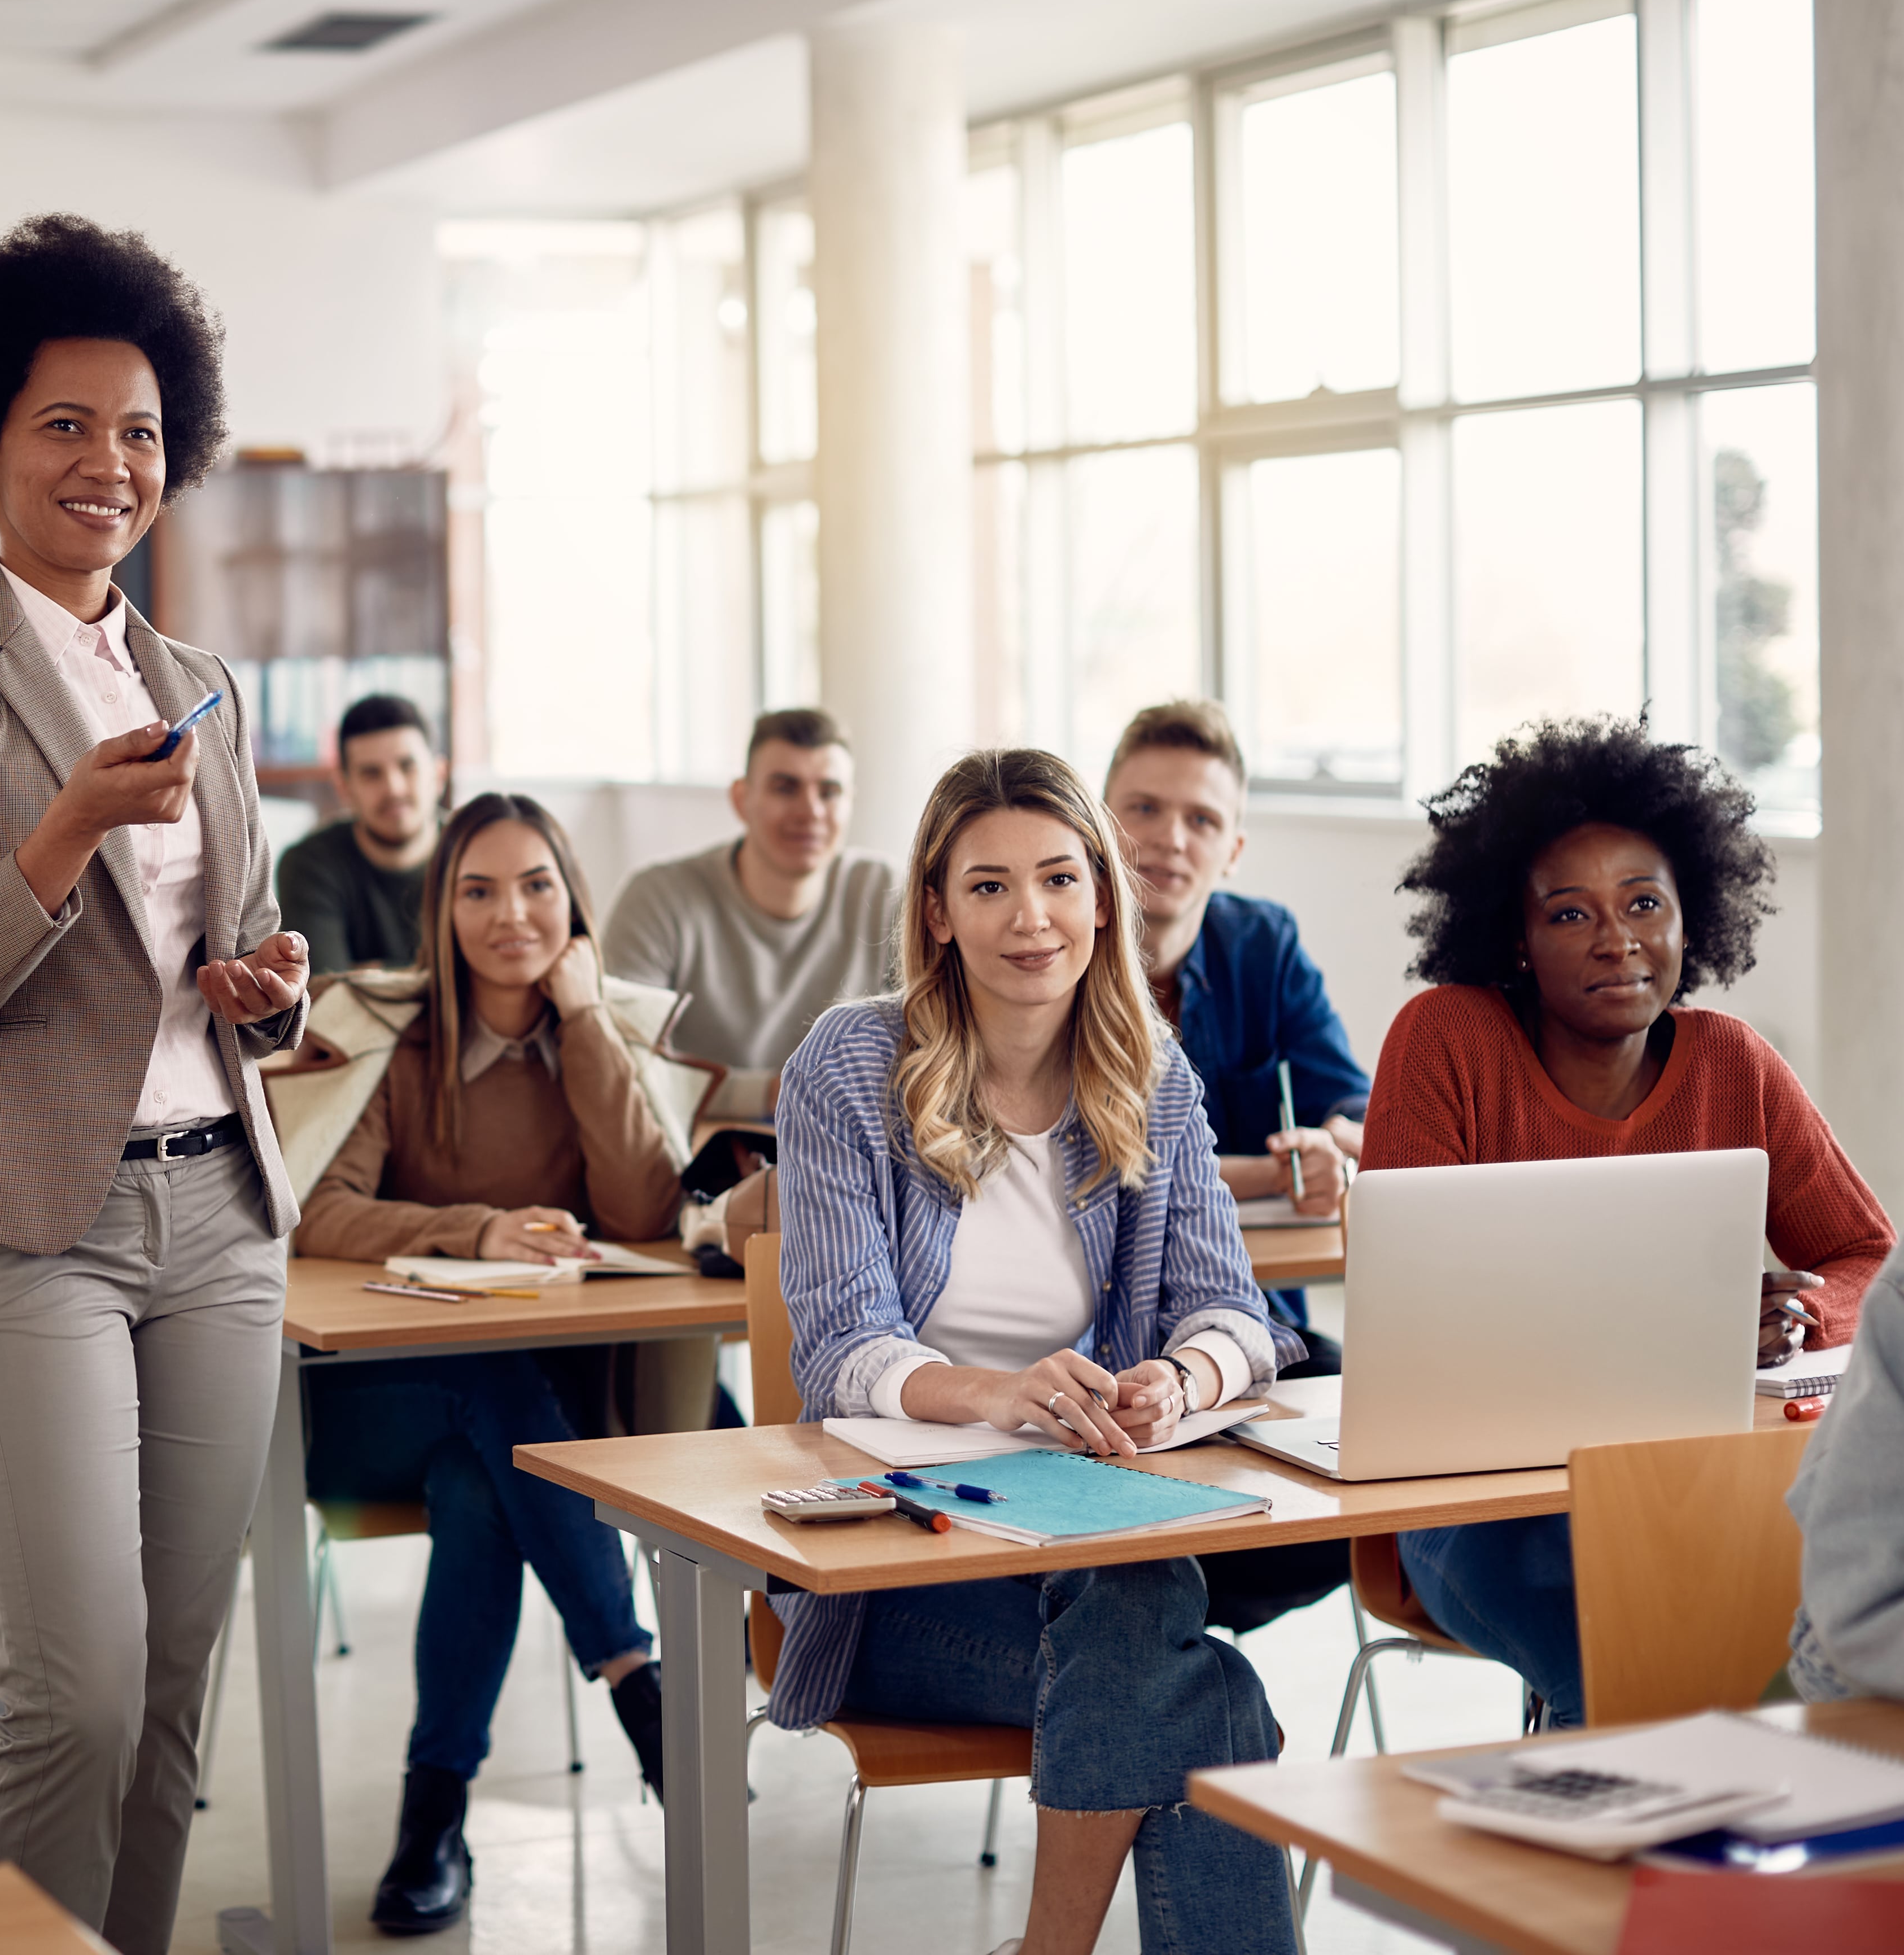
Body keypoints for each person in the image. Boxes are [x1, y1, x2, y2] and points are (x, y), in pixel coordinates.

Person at [0, 213, 309, 1955]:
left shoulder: (198, 685)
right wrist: (63, 834)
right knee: (75, 1698)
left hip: (222, 1211)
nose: (112, 463)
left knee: (172, 1696)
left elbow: (233, 945)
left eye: (143, 431)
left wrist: (265, 990)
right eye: (67, 425)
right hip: (25, 1224)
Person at [773, 747, 1299, 1955]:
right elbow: (843, 1347)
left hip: (1087, 1541)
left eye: (1060, 879)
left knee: (1154, 1630)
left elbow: (1237, 1315)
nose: (1031, 918)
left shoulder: (1151, 1077)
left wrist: (1183, 1379)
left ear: (1103, 898)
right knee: (1203, 1690)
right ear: (937, 912)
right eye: (989, 885)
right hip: (901, 1570)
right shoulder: (849, 1064)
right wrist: (1000, 1392)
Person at [1363, 715, 1894, 1726]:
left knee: (1803, 1616)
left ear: (1692, 916)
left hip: (1685, 1477)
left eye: (1644, 902)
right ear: (1515, 940)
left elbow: (1869, 1255)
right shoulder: (1447, 1041)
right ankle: (1608, 1822)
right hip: (1476, 1497)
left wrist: (1800, 1314)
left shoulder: (1733, 1063)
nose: (1617, 939)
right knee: (1632, 1645)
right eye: (1570, 913)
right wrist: (1677, 1329)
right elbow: (1413, 1315)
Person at [292, 794, 678, 1935]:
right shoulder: (391, 1038)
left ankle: (432, 1819)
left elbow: (644, 1211)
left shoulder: (601, 1031)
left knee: (481, 1479)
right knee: (484, 1381)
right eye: (479, 889)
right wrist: (477, 1231)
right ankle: (636, 1679)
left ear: (572, 900)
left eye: (537, 885)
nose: (512, 914)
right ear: (442, 909)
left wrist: (586, 1019)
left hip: (525, 1435)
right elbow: (322, 1210)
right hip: (370, 1406)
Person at [1103, 699, 1370, 1632]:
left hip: (1251, 1336)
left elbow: (1355, 1111)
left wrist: (1329, 1149)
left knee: (1384, 1423)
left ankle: (1157, 1621)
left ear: (1233, 849)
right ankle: (1142, 1620)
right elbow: (1099, 1171)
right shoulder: (1048, 949)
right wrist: (1261, 1175)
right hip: (1097, 1342)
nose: (1170, 838)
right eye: (1144, 808)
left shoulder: (1265, 945)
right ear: (1099, 818)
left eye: (1201, 818)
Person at [604, 708, 901, 1121]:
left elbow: (933, 1047)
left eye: (829, 791)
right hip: (699, 1144)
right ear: (741, 799)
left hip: (844, 1140)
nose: (811, 811)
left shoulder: (887, 891)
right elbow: (622, 1064)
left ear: (851, 802)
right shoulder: (657, 899)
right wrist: (774, 1093)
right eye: (785, 788)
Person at [1788, 1165, 1904, 1708]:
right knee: (1578, 1683)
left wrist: (1799, 1313)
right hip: (1883, 1678)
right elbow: (1870, 1606)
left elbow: (1864, 1254)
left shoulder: (1752, 1102)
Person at [274, 693, 446, 970]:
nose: (394, 788)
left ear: (439, 775)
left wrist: (369, 975)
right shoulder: (309, 865)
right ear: (344, 787)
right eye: (371, 773)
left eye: (408, 767)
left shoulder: (478, 853)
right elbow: (325, 990)